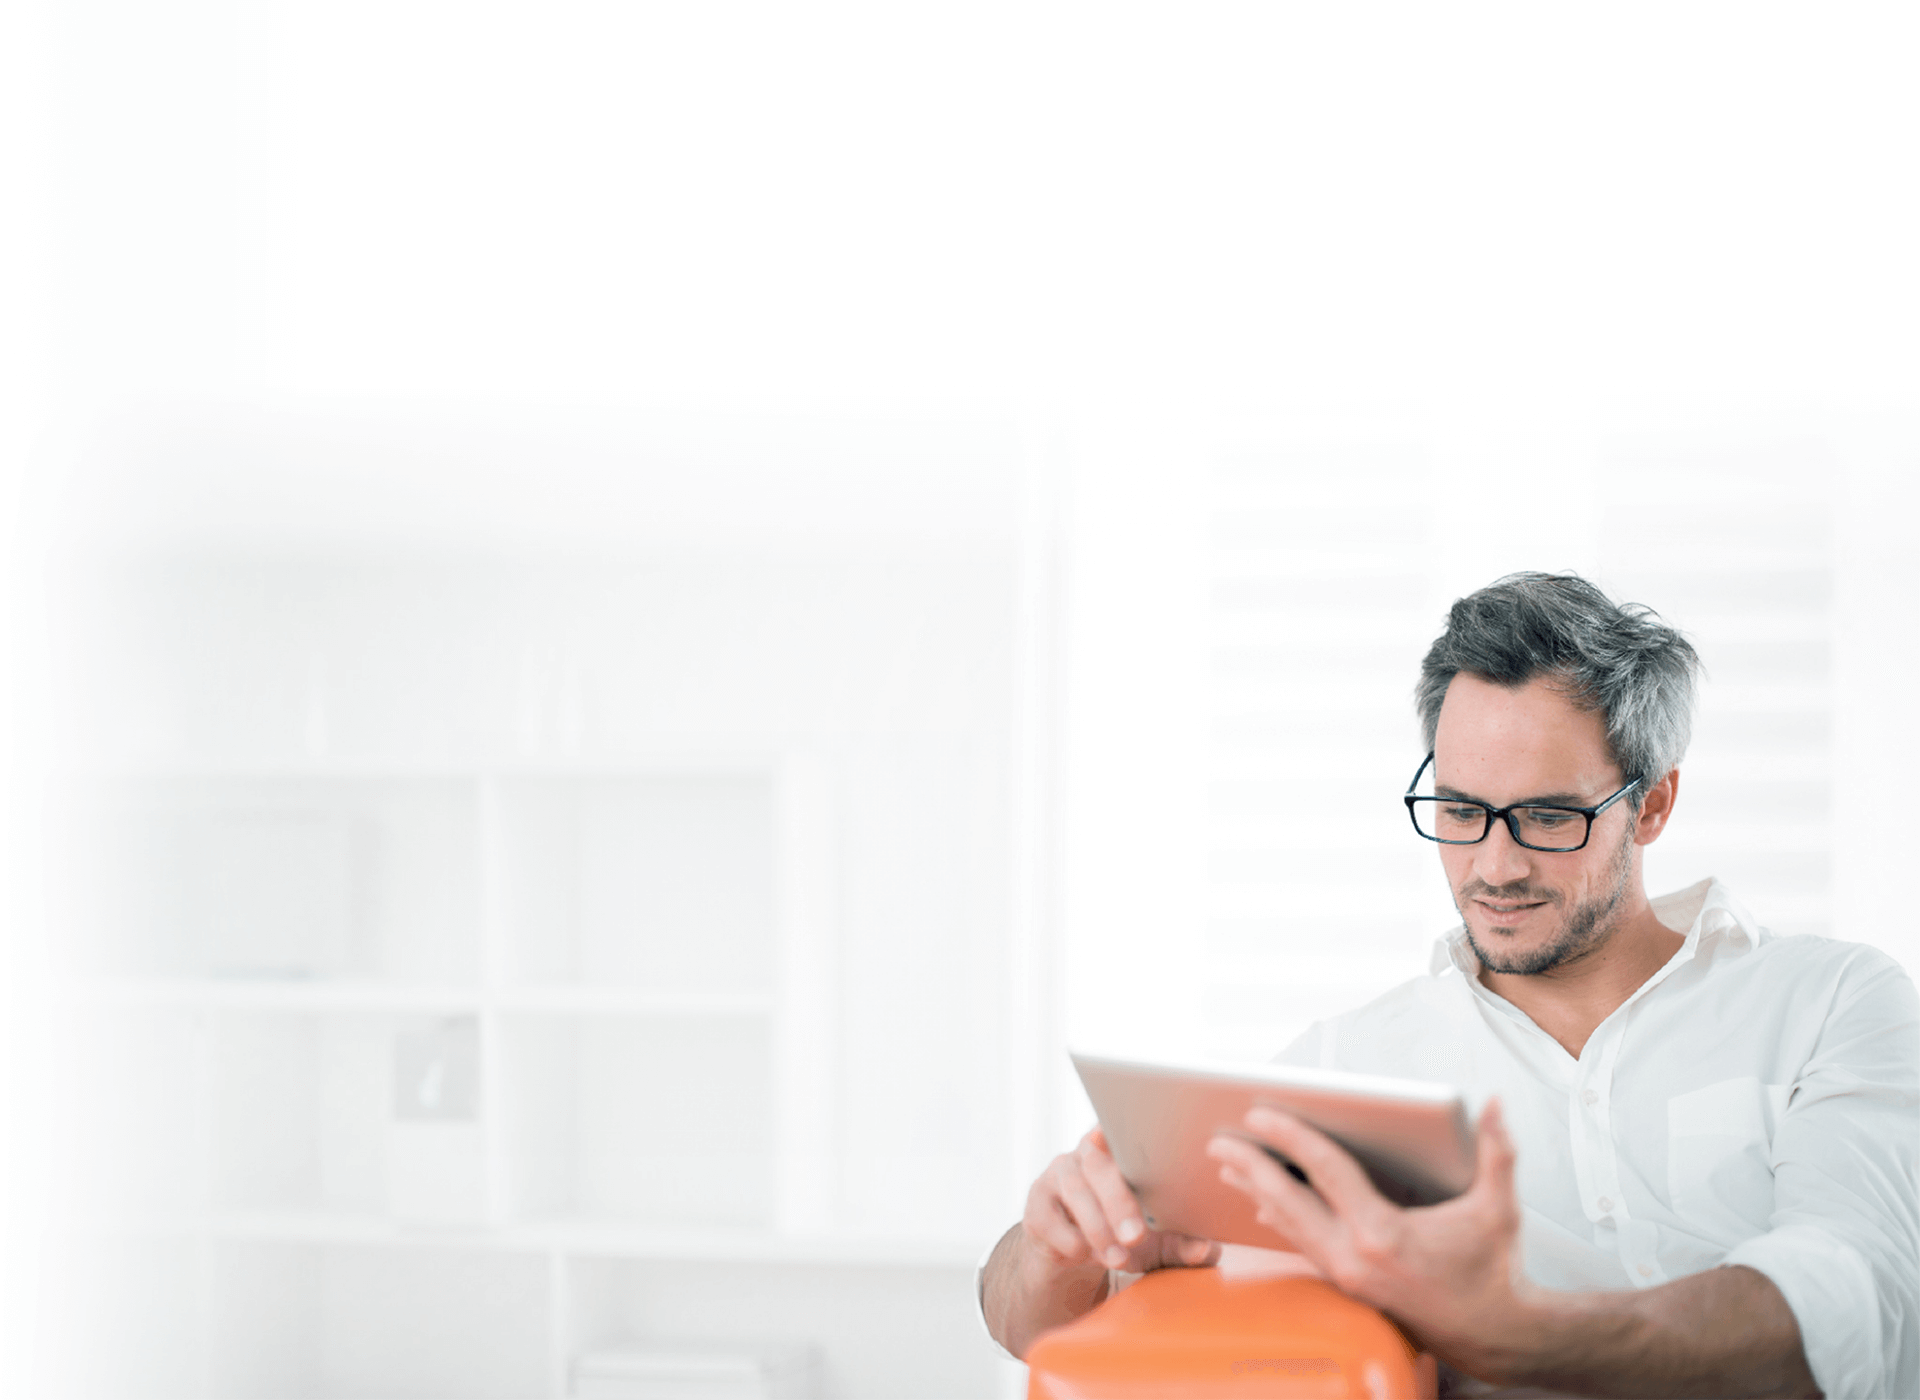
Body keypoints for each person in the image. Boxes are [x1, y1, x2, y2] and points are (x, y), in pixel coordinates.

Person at [980, 572, 1919, 1398]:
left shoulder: (1830, 1002)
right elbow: (1045, 1328)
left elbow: (1848, 1304)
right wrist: (1060, 1250)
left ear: (1654, 803)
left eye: (1548, 816)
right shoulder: (1353, 1068)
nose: (1493, 865)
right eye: (1462, 811)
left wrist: (1509, 1334)